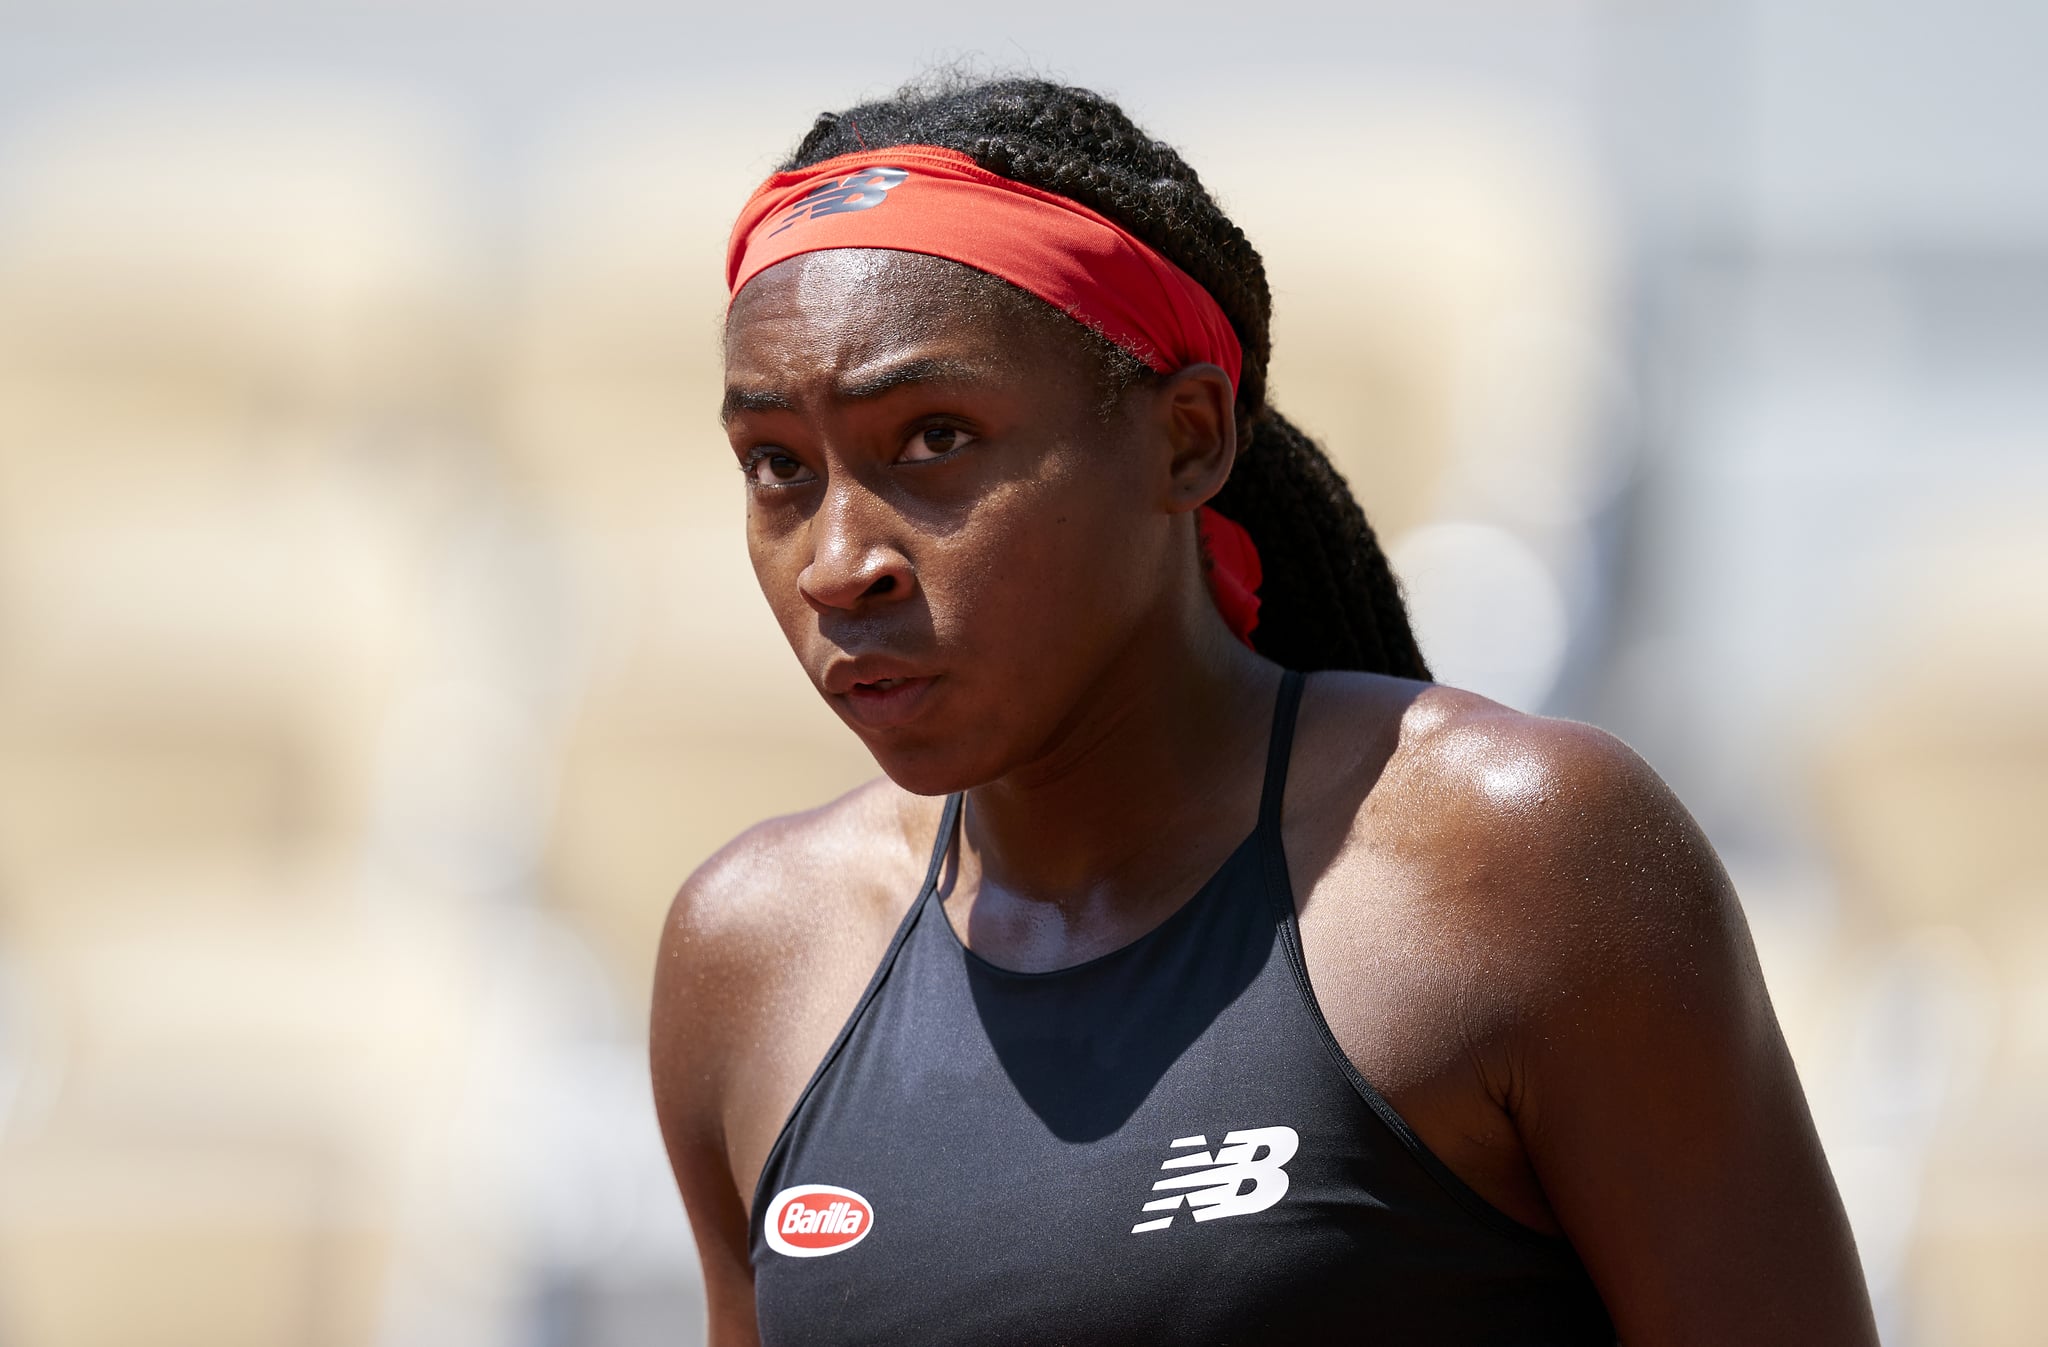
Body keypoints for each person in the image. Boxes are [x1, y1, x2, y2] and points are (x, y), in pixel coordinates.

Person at [651, 76, 1877, 1345]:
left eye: (935, 438)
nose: (837, 560)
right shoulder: (752, 956)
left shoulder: (1515, 865)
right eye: (778, 468)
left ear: (1186, 440)